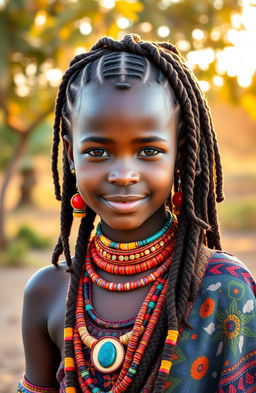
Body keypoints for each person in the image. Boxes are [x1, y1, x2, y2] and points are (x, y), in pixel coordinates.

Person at [17, 34, 256, 393]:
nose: (124, 174)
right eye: (98, 152)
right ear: (69, 153)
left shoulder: (225, 289)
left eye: (148, 151)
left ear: (181, 152)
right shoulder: (48, 292)